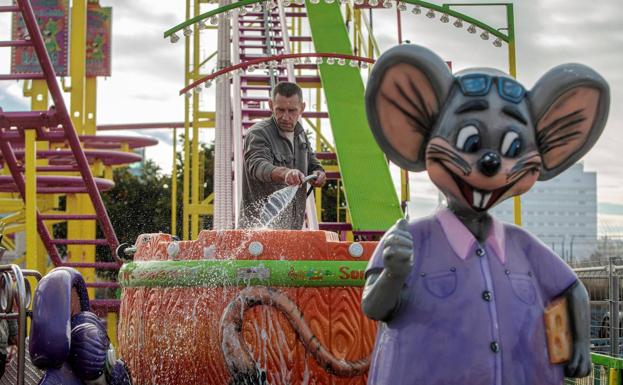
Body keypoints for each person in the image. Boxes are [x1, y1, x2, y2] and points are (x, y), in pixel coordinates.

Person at [240, 82, 326, 229]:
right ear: (270, 105)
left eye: (292, 111)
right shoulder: (258, 133)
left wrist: (319, 174)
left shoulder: (301, 135)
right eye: (280, 110)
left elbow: (313, 164)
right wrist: (286, 173)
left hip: (292, 230)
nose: (286, 117)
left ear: (302, 108)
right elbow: (257, 165)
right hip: (259, 232)